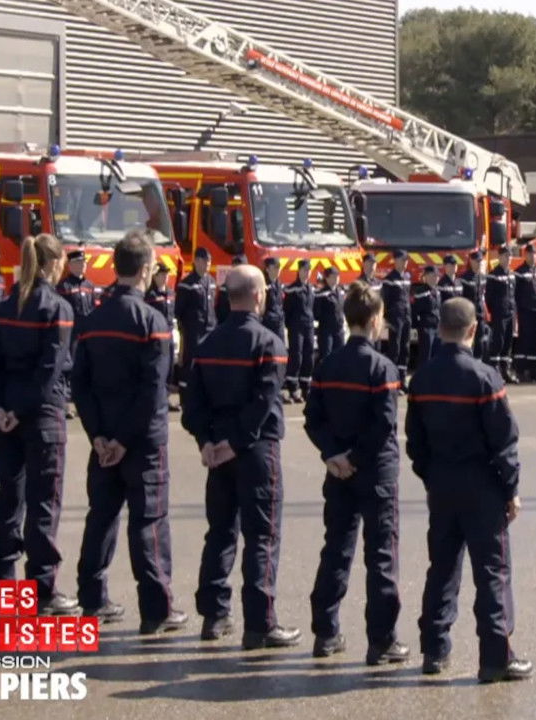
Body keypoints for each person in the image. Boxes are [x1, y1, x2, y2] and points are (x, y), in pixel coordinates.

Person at [406, 297, 532, 683]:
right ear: (473, 330)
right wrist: (510, 489)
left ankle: (434, 649)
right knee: (492, 572)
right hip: (483, 488)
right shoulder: (485, 377)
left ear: (439, 328)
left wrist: (431, 476)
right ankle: (495, 658)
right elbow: (504, 442)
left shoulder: (422, 378)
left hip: (442, 485)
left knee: (441, 568)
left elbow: (415, 442)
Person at [183, 264, 303, 649]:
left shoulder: (207, 344)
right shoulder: (270, 344)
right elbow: (263, 404)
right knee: (262, 536)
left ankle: (215, 616)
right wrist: (235, 442)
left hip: (219, 452)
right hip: (255, 452)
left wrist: (207, 442)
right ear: (257, 296)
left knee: (220, 532)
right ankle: (260, 623)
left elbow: (192, 404)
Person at [72, 231, 184, 634]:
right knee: (149, 521)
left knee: (100, 517)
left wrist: (99, 436)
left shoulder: (92, 320)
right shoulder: (152, 322)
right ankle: (156, 610)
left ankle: (91, 599)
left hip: (103, 441)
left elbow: (79, 385)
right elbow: (154, 391)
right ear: (145, 269)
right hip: (141, 442)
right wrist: (122, 439)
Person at [304, 281, 409, 664]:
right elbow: (383, 426)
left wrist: (335, 455)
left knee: (336, 549)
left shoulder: (327, 364)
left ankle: (326, 632)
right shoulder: (383, 368)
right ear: (377, 318)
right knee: (381, 556)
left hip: (339, 472)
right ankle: (381, 640)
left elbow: (313, 419)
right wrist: (356, 458)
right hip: (375, 472)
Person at [0, 233, 80, 615]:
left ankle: (3, 588)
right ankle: (42, 589)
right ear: (53, 264)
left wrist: (1, 408)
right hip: (41, 416)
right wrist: (19, 408)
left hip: (7, 418)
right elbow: (49, 369)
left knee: (8, 498)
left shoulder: (6, 305)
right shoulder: (57, 307)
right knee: (44, 503)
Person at [58, 249, 98, 418]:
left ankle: (84, 401)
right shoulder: (64, 286)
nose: (83, 266)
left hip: (87, 332)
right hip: (71, 332)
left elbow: (94, 308)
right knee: (70, 366)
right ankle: (67, 404)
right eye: (79, 263)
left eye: (84, 263)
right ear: (71, 265)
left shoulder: (89, 285)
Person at [174, 247, 217, 399]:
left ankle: (203, 393)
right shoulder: (186, 284)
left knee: (207, 362)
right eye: (205, 261)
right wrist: (183, 330)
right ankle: (184, 396)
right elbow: (179, 310)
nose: (208, 264)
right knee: (190, 362)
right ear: (196, 261)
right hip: (193, 330)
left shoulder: (211, 282)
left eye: (209, 261)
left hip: (209, 328)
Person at [146, 262, 180, 412]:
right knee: (158, 366)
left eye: (167, 274)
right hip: (157, 336)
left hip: (170, 334)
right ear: (155, 276)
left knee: (170, 366)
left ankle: (165, 398)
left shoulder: (171, 293)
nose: (166, 277)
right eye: (163, 274)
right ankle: (155, 398)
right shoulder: (150, 295)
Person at [513, 242, 536, 383]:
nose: (532, 256)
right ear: (525, 255)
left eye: (534, 254)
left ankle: (534, 370)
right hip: (525, 311)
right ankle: (521, 370)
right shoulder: (519, 272)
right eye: (529, 254)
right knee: (525, 341)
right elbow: (515, 294)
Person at [283, 260, 316, 403]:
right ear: (299, 271)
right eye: (304, 270)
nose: (307, 273)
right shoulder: (292, 289)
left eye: (309, 270)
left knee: (309, 355)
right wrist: (290, 325)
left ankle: (305, 387)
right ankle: (292, 388)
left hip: (308, 326)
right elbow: (287, 309)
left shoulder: (311, 288)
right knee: (296, 355)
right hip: (296, 326)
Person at [381, 249, 414, 389]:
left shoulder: (407, 276)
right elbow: (385, 300)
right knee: (395, 348)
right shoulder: (389, 279)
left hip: (406, 317)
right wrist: (387, 319)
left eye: (406, 260)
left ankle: (402, 379)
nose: (405, 263)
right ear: (395, 261)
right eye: (402, 260)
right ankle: (392, 379)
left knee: (405, 348)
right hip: (395, 318)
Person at [486, 245, 517, 383]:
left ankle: (506, 370)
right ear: (499, 257)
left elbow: (513, 295)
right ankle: (495, 370)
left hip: (510, 313)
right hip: (499, 314)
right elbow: (489, 297)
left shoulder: (511, 274)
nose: (508, 259)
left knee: (508, 343)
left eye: (509, 256)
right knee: (498, 342)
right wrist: (495, 311)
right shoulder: (494, 274)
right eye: (505, 256)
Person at [314, 266, 346, 366]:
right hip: (326, 330)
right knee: (326, 355)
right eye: (333, 276)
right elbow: (316, 313)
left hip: (339, 329)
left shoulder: (341, 291)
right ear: (327, 278)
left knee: (340, 354)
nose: (336, 278)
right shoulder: (321, 294)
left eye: (337, 276)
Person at [460, 251, 488, 360]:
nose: (479, 263)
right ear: (471, 261)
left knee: (480, 339)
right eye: (477, 261)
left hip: (480, 313)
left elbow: (485, 295)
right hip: (468, 314)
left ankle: (478, 361)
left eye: (480, 261)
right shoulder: (464, 278)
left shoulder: (483, 277)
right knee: (467, 340)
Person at [214, 255, 247, 323]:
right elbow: (220, 310)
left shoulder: (249, 287)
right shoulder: (224, 287)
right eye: (234, 267)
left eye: (239, 267)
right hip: (228, 325)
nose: (237, 270)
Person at [261, 257, 286, 339]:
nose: (278, 269)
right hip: (267, 324)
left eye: (279, 267)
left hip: (279, 323)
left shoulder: (279, 284)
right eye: (275, 267)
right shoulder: (263, 285)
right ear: (267, 269)